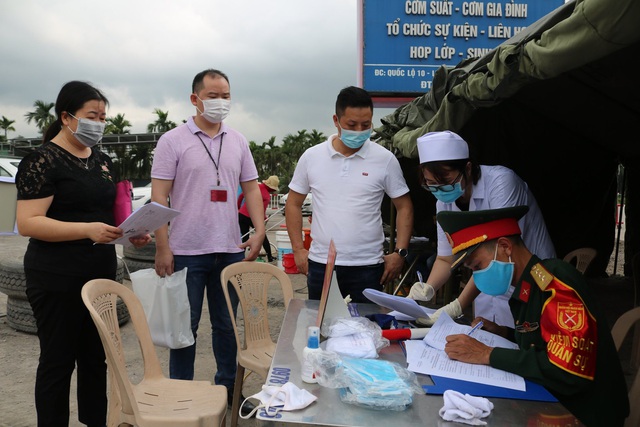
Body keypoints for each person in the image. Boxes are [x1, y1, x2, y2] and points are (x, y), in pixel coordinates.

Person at [15, 80, 151, 427]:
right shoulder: (42, 160)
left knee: (95, 359)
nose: (100, 123)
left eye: (104, 117)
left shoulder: (103, 161)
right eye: (92, 115)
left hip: (100, 272)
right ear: (66, 117)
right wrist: (86, 229)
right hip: (56, 276)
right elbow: (29, 222)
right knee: (58, 361)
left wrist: (131, 232)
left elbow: (111, 213)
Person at [436, 206, 629, 426]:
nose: (477, 276)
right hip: (554, 399)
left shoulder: (555, 284)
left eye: (478, 266)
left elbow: (567, 370)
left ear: (505, 247)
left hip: (584, 413)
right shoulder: (527, 287)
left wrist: (487, 354)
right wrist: (505, 333)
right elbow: (544, 342)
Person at [150, 68, 263, 415]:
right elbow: (159, 197)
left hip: (229, 250)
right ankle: (180, 395)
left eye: (226, 95)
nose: (220, 102)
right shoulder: (173, 141)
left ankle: (229, 388)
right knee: (184, 330)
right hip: (186, 251)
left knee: (227, 326)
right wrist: (162, 246)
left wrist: (258, 230)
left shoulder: (238, 140)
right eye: (213, 95)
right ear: (195, 98)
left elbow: (251, 188)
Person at [408, 130, 555, 328]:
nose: (440, 190)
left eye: (446, 182)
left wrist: (458, 305)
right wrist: (428, 288)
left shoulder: (501, 183)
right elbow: (445, 258)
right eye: (431, 185)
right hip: (487, 285)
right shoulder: (443, 203)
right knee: (488, 337)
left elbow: (496, 255)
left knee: (525, 341)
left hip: (529, 280)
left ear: (468, 168)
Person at [285, 86, 414, 303]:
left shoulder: (385, 159)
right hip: (322, 265)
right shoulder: (312, 157)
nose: (359, 131)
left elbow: (404, 206)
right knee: (322, 329)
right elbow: (293, 203)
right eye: (351, 125)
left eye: (366, 125)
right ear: (336, 120)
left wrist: (400, 253)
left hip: (369, 267)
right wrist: (298, 249)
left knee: (368, 332)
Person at [238, 175, 279, 262]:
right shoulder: (266, 196)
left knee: (244, 236)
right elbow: (261, 210)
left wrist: (238, 207)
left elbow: (241, 196)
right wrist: (264, 218)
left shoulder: (255, 187)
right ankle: (270, 256)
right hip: (252, 217)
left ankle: (240, 257)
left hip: (241, 214)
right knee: (262, 236)